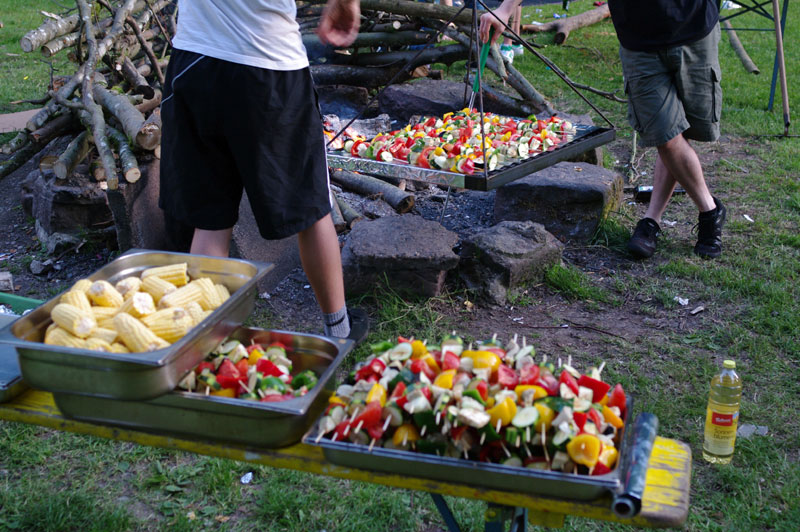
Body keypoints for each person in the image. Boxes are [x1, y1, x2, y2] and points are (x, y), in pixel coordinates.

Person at [159, 0, 368, 341]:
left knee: (209, 220)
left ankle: (204, 343)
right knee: (311, 208)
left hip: (194, 62)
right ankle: (339, 329)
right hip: (269, 66)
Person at [607, 0, 726, 259]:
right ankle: (709, 210)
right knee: (666, 134)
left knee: (677, 132)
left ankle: (652, 220)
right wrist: (505, 9)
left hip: (694, 27)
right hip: (638, 39)